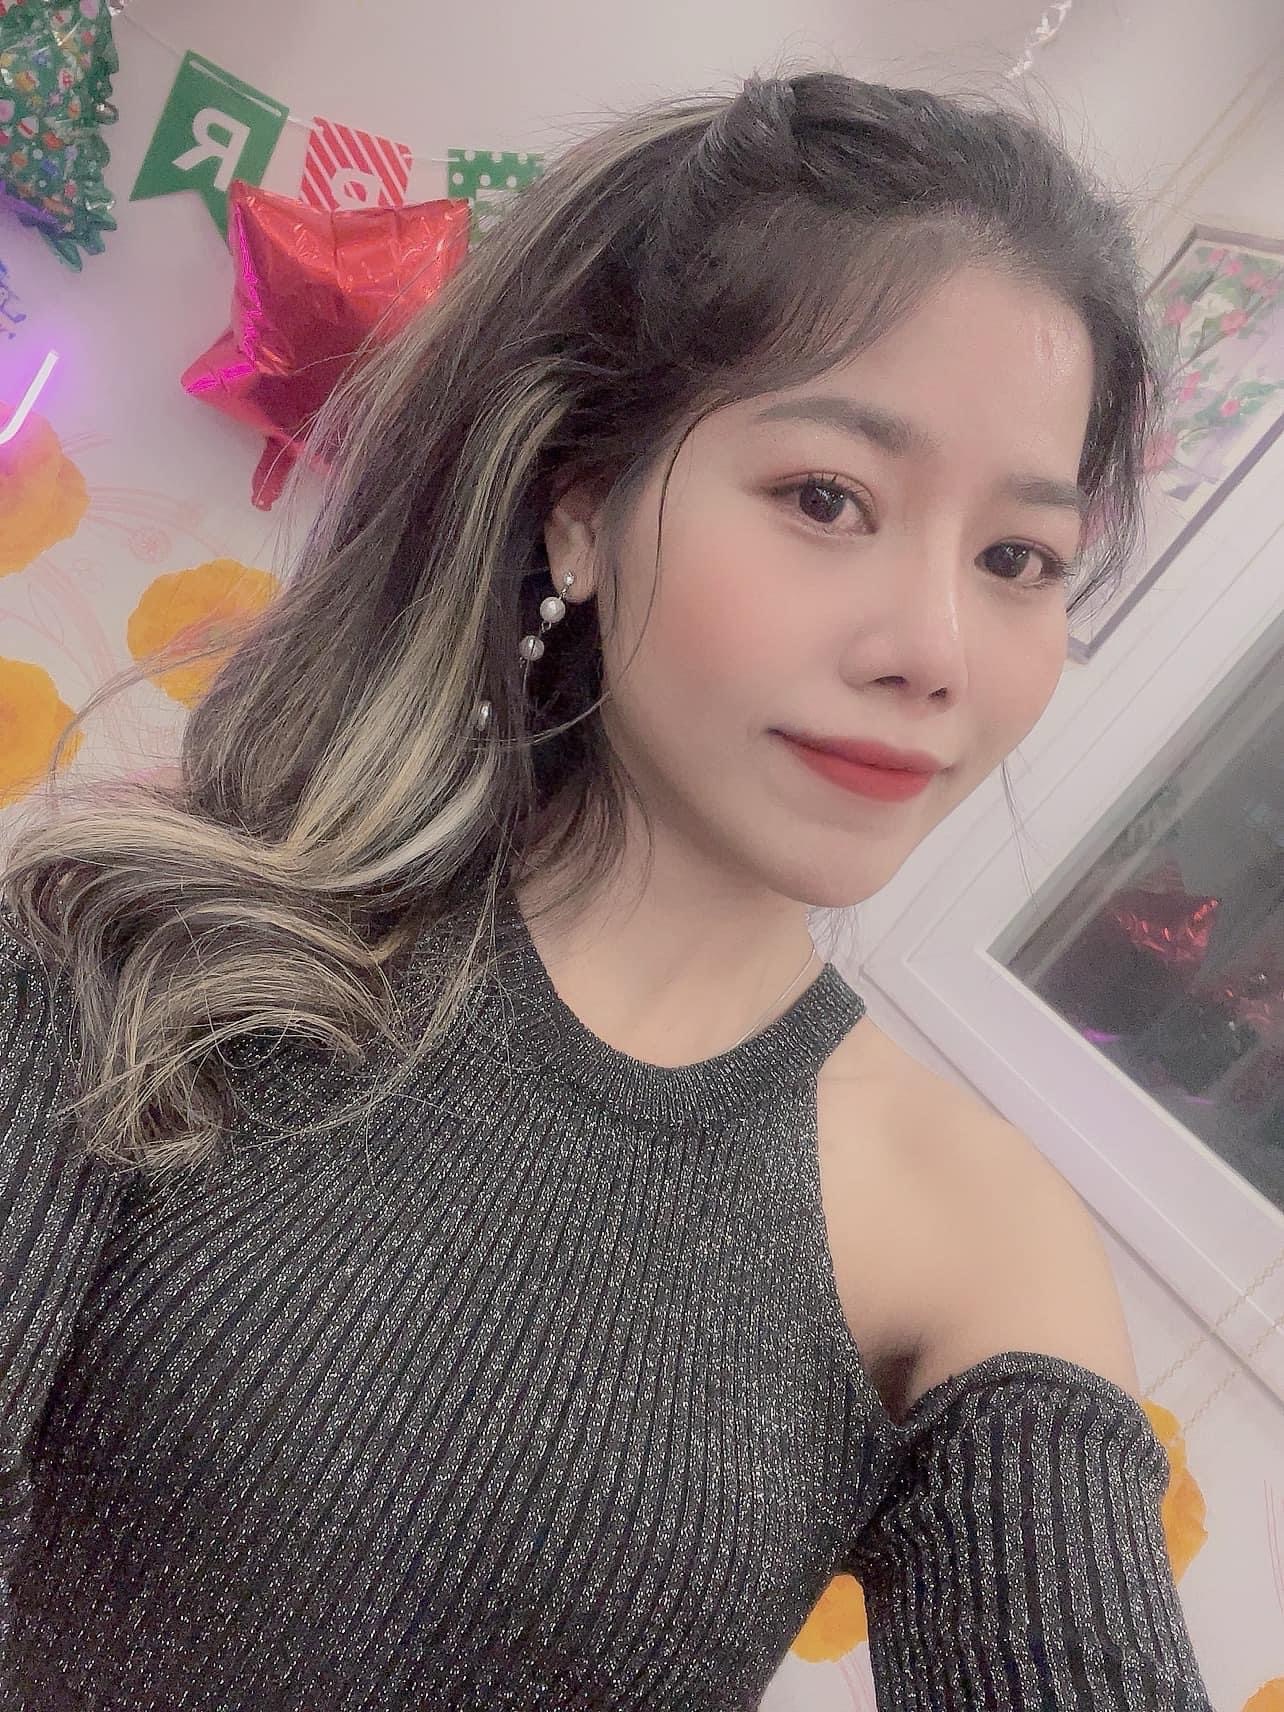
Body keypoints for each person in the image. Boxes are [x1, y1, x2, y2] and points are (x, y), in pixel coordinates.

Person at [0, 67, 1214, 1711]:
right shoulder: (139, 944)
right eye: (827, 499)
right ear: (582, 501)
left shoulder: (975, 1235)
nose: (935, 652)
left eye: (1018, 559)